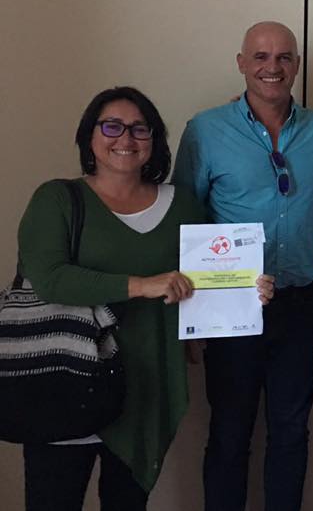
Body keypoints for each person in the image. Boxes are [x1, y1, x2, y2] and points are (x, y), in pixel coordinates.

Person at [17, 86, 271, 510]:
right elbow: (50, 279)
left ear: (154, 140)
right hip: (65, 383)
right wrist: (142, 285)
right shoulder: (57, 199)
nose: (126, 138)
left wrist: (248, 290)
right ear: (89, 136)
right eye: (112, 126)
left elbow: (204, 278)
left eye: (140, 129)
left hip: (146, 387)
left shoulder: (182, 203)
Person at [173, 21, 313, 511]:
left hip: (299, 304)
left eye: (284, 57)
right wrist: (189, 319)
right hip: (228, 308)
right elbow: (184, 216)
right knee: (229, 432)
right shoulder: (206, 130)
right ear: (241, 63)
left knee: (291, 431)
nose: (273, 67)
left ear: (297, 66)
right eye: (261, 57)